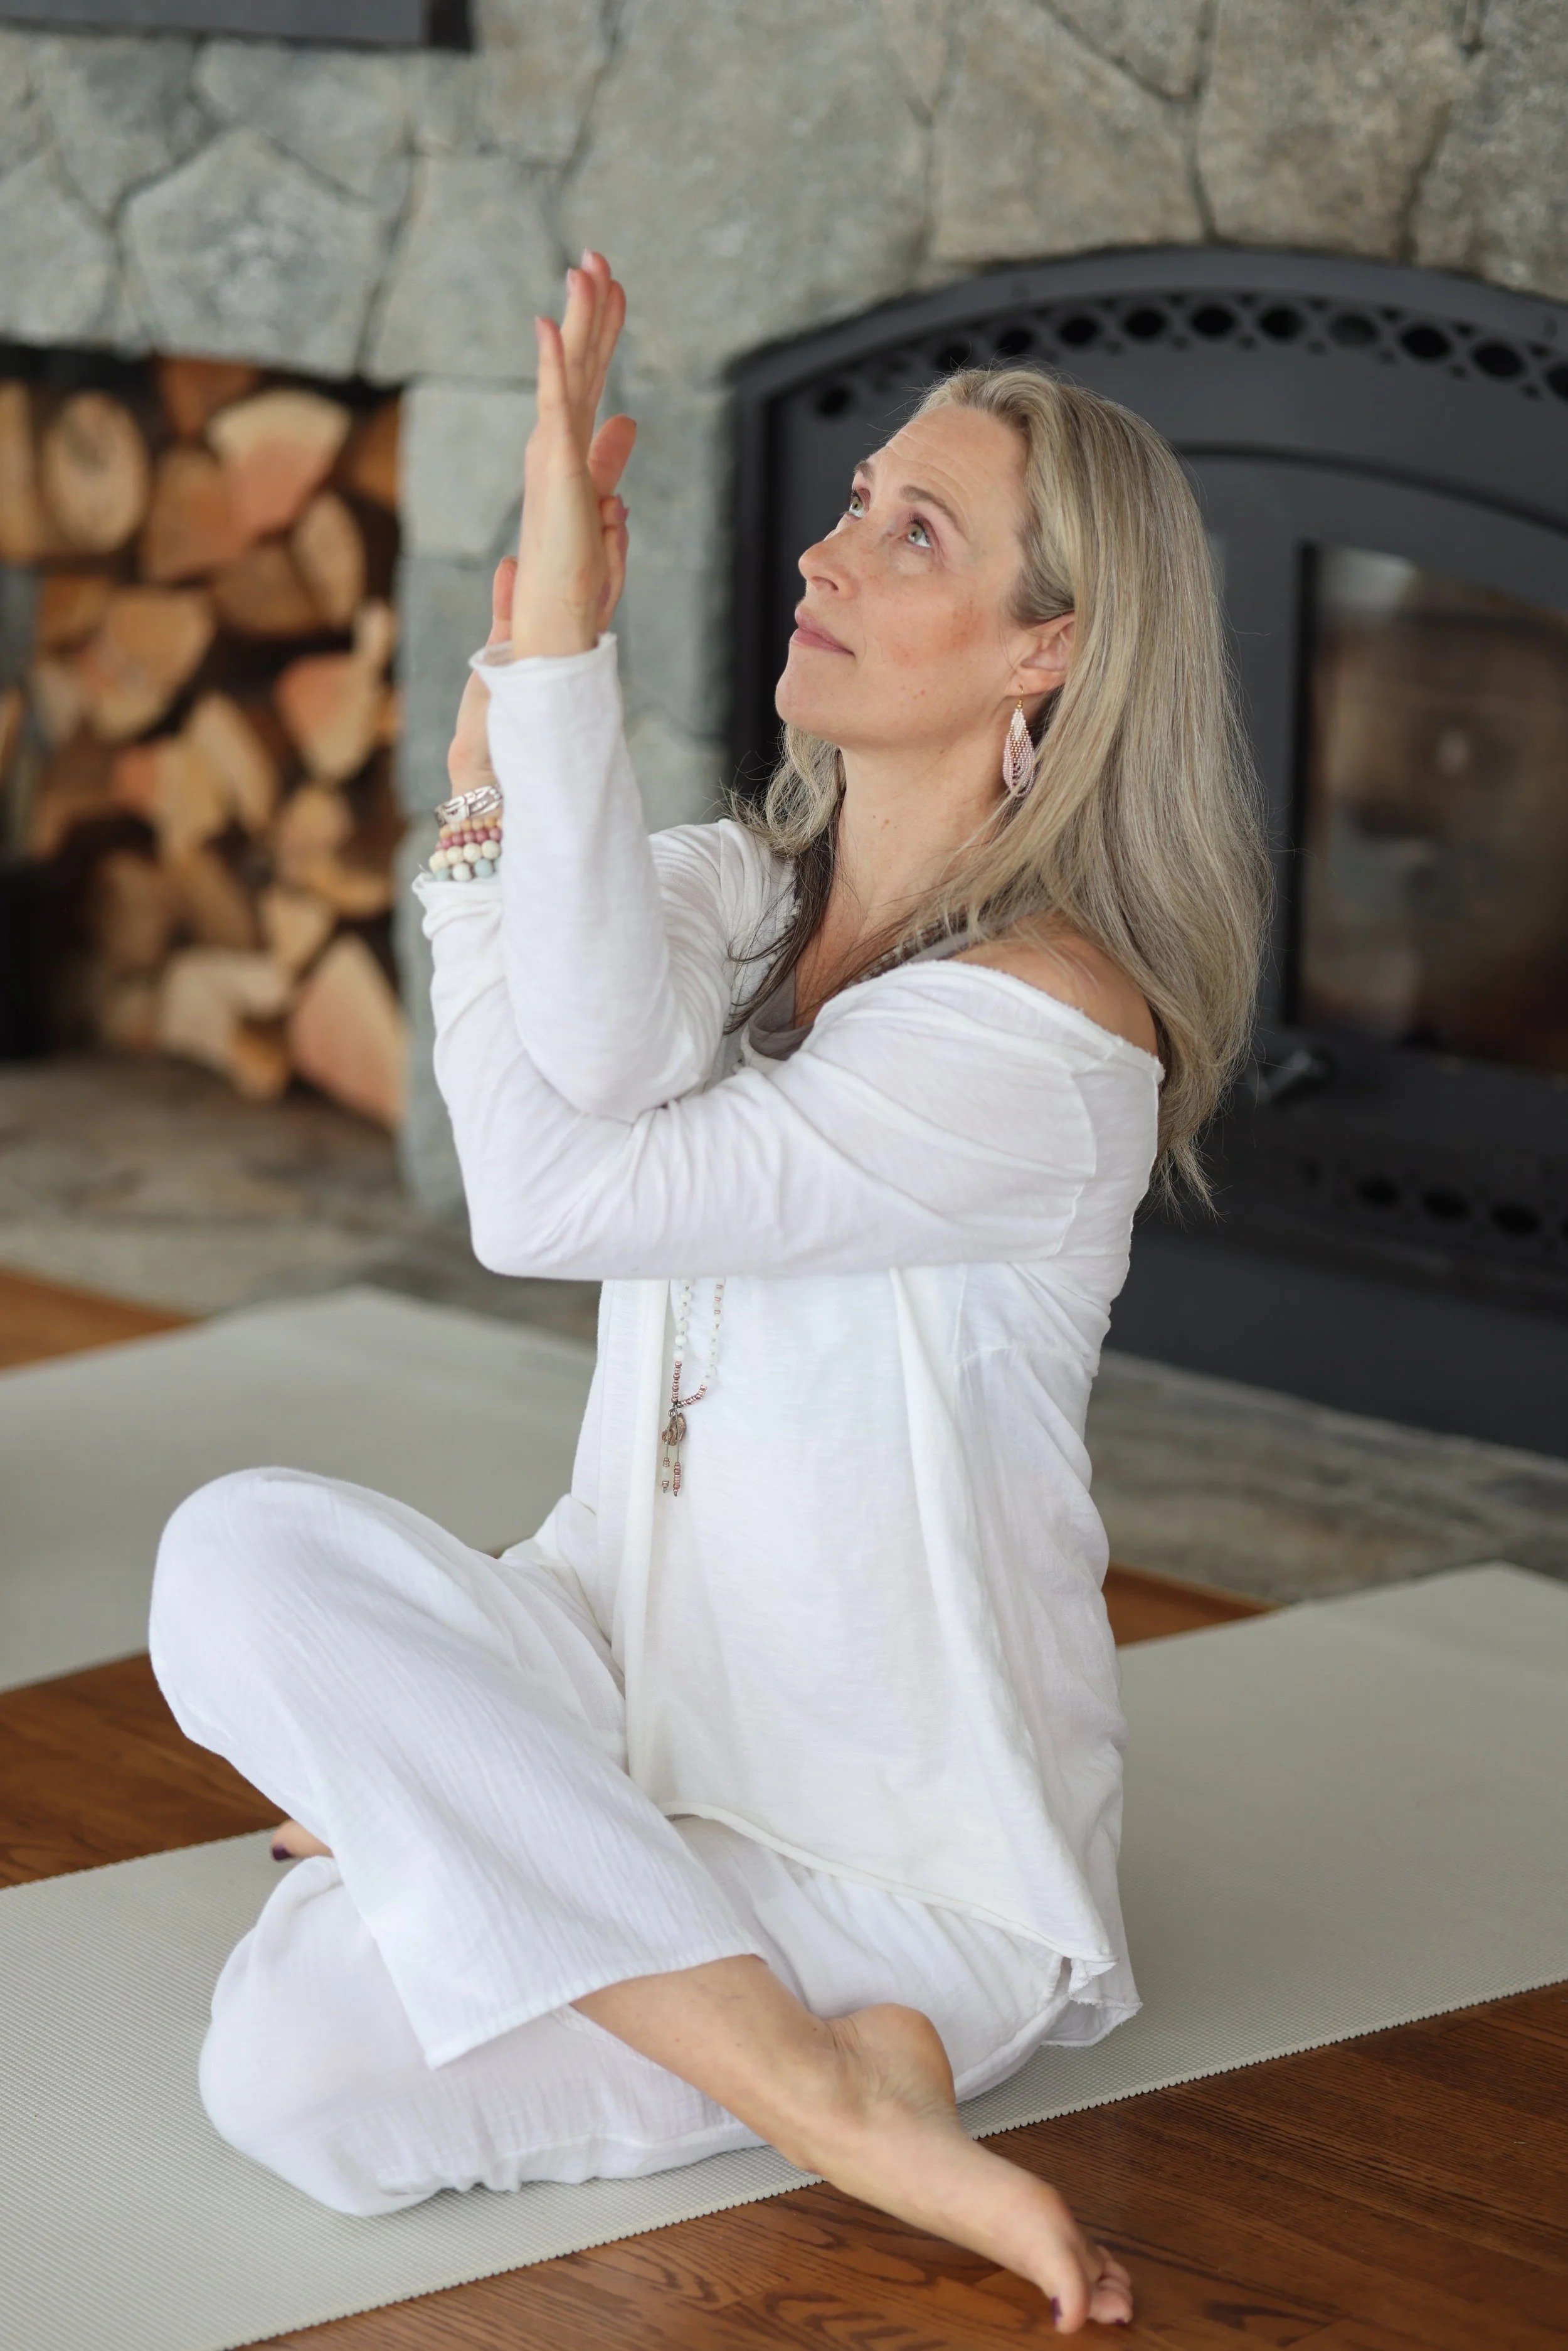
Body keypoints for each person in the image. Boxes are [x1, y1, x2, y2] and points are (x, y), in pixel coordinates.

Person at [150, 252, 1266, 2333]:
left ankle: (832, 2048)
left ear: (1053, 649)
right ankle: (822, 2079)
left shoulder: (1044, 1035)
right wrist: (506, 709)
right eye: (850, 503)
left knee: (295, 2063)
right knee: (236, 1560)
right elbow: (552, 1081)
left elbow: (550, 1193)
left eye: (909, 532)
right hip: (627, 1707)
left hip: (900, 1865)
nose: (828, 551)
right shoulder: (736, 889)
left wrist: (554, 653)